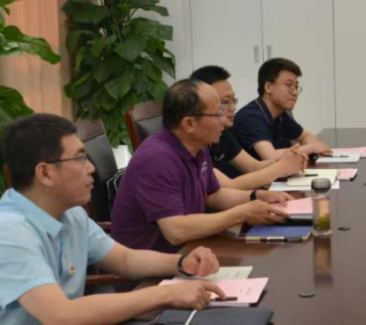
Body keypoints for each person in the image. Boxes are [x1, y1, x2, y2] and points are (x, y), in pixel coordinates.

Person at [0, 114, 227, 325]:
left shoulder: (70, 213)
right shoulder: (5, 231)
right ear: (45, 173)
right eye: (80, 159)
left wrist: (181, 263)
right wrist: (166, 294)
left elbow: (124, 260)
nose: (92, 169)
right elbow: (63, 318)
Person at [112, 79, 289, 252]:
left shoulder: (199, 146)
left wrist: (255, 196)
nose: (223, 120)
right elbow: (176, 231)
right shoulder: (157, 158)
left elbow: (214, 195)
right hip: (156, 264)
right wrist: (241, 214)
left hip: (191, 250)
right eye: (217, 113)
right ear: (189, 124)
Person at [189, 64, 307, 187]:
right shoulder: (195, 144)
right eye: (225, 102)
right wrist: (281, 167)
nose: (233, 108)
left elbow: (253, 166)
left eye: (233, 100)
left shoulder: (222, 132)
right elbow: (228, 187)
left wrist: (285, 160)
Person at [233, 57, 333, 160]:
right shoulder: (251, 117)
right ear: (268, 87)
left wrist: (314, 146)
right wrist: (311, 148)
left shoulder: (280, 115)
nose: (295, 93)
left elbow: (305, 135)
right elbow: (270, 156)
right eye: (289, 85)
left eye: (296, 87)